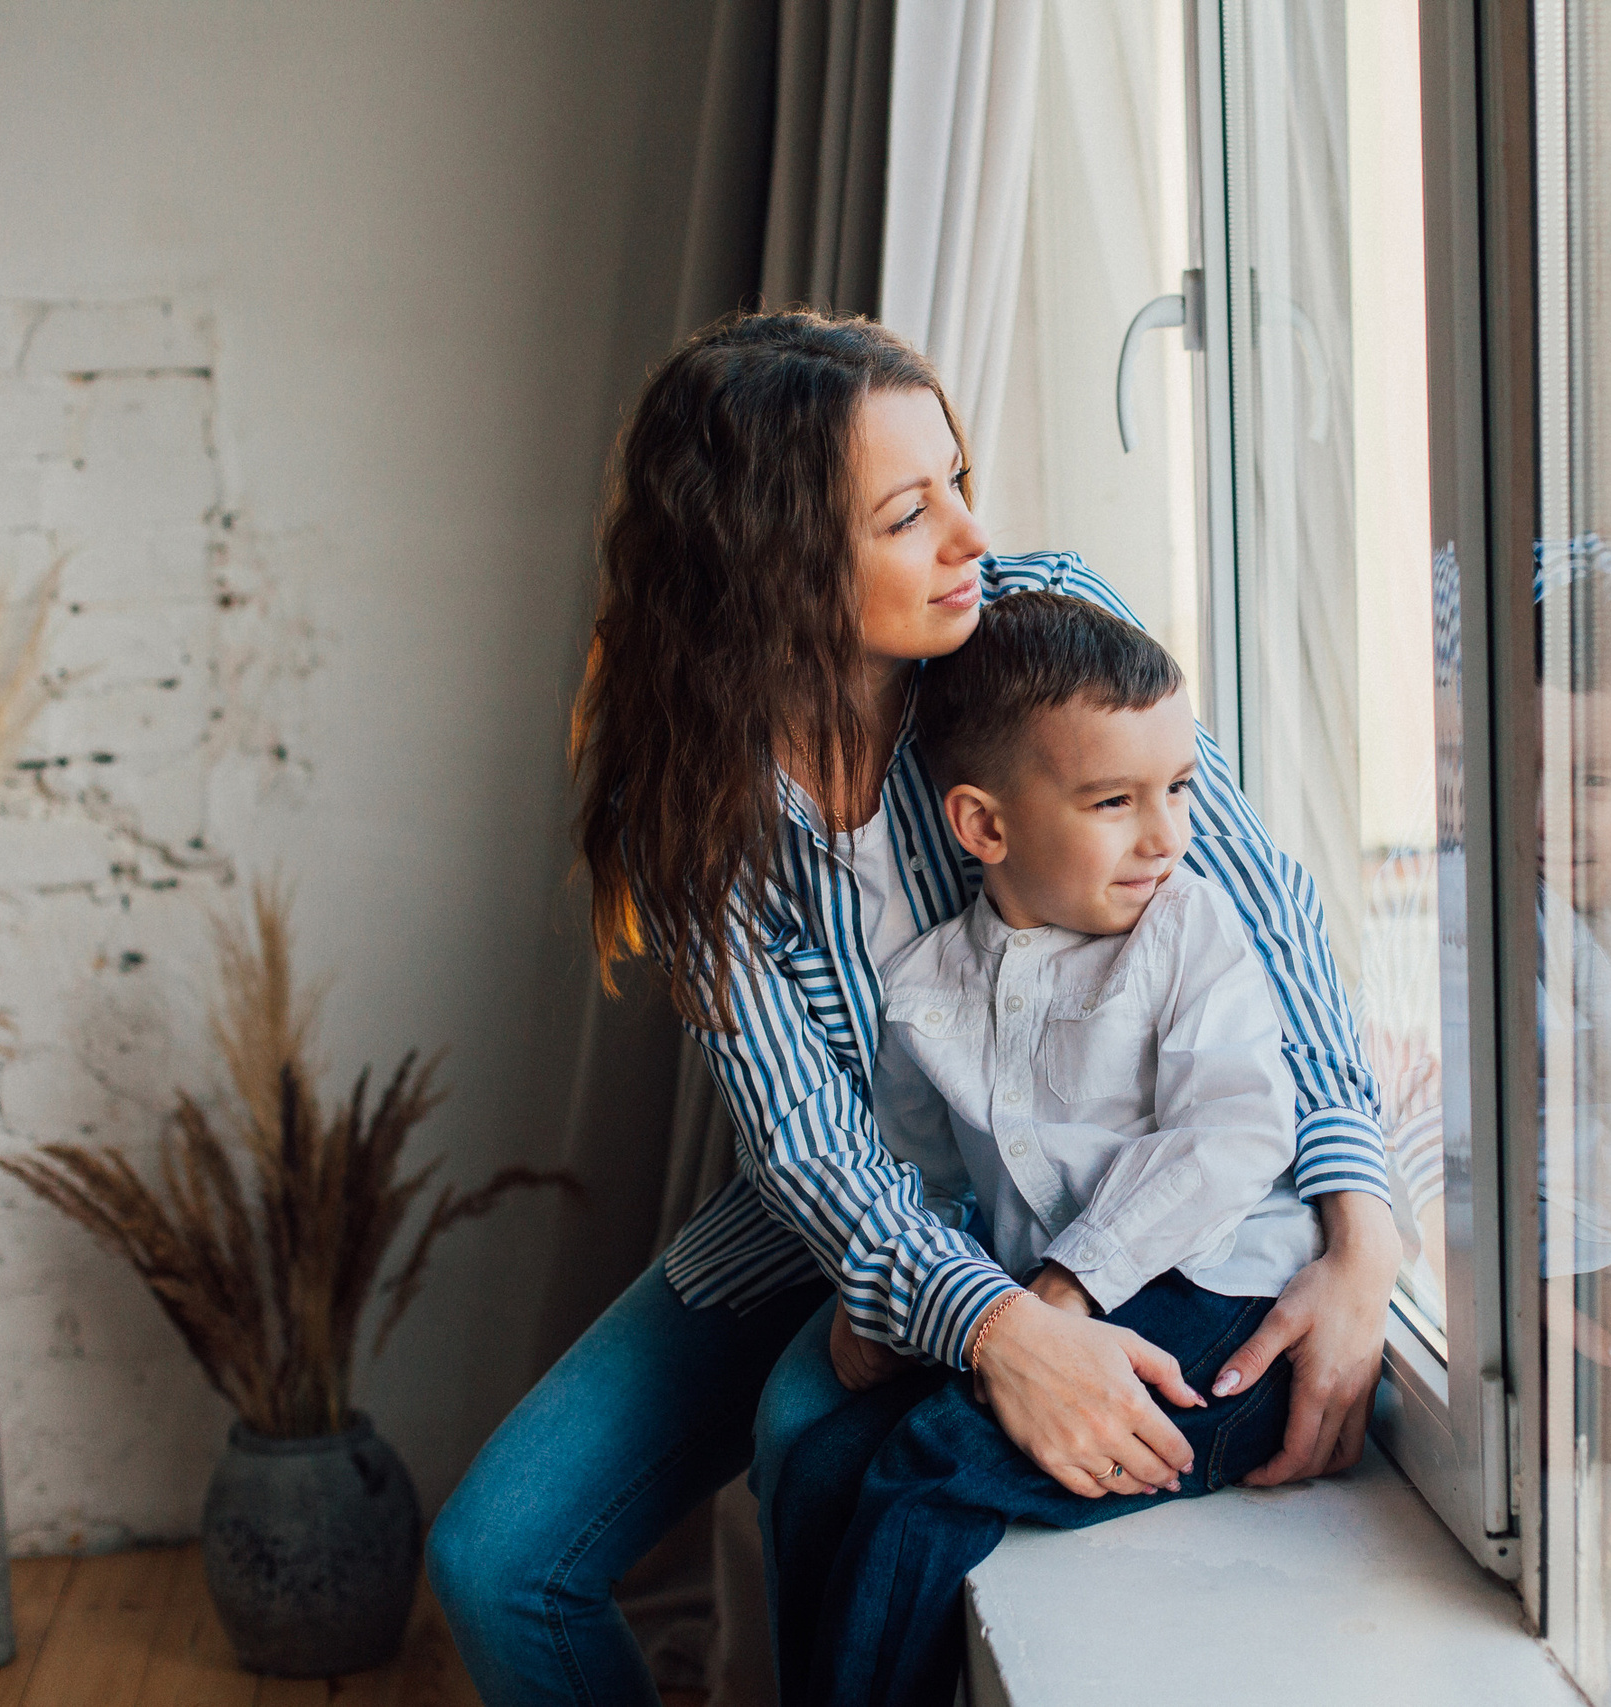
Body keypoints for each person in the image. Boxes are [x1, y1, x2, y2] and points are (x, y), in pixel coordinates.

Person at [425, 310, 1400, 1707]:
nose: (967, 538)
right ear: (771, 562)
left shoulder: (1031, 625)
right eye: (906, 512)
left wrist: (1360, 1234)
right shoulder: (691, 794)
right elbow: (812, 1150)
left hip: (1091, 1184)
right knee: (494, 1557)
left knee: (805, 1431)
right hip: (831, 1219)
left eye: (957, 481)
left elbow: (1259, 913)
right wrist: (1003, 1328)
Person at [767, 590, 1316, 1707]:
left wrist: (1067, 1285)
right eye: (1115, 801)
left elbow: (1237, 1130)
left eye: (1178, 790)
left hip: (1218, 1307)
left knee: (929, 1476)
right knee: (820, 1462)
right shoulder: (925, 991)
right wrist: (882, 1301)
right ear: (983, 827)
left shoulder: (1188, 926)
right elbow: (916, 1175)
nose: (1164, 834)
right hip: (1050, 1311)